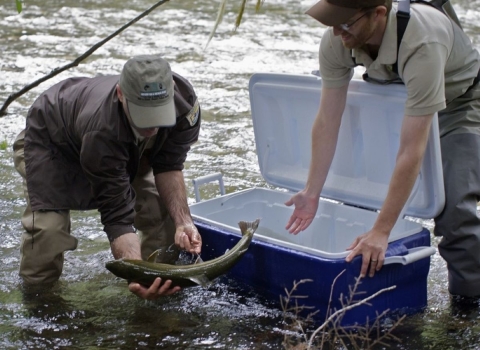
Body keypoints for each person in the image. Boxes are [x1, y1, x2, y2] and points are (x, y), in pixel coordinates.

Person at [285, 0, 480, 298]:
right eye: (331, 22)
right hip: (400, 100)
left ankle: (468, 306)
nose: (337, 32)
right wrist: (312, 192)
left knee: (453, 210)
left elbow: (411, 149)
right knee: (362, 194)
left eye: (346, 23)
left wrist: (382, 231)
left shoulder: (422, 40)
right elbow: (327, 120)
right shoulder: (338, 39)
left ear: (378, 13)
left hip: (461, 104)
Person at [13, 54, 202, 300]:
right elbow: (117, 218)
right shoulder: (101, 129)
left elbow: (169, 165)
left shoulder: (185, 105)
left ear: (172, 91)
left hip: (120, 145)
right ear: (121, 94)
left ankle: (162, 287)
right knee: (49, 232)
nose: (153, 126)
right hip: (52, 142)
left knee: (159, 210)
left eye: (159, 115)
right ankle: (39, 302)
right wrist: (134, 273)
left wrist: (183, 222)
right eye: (144, 115)